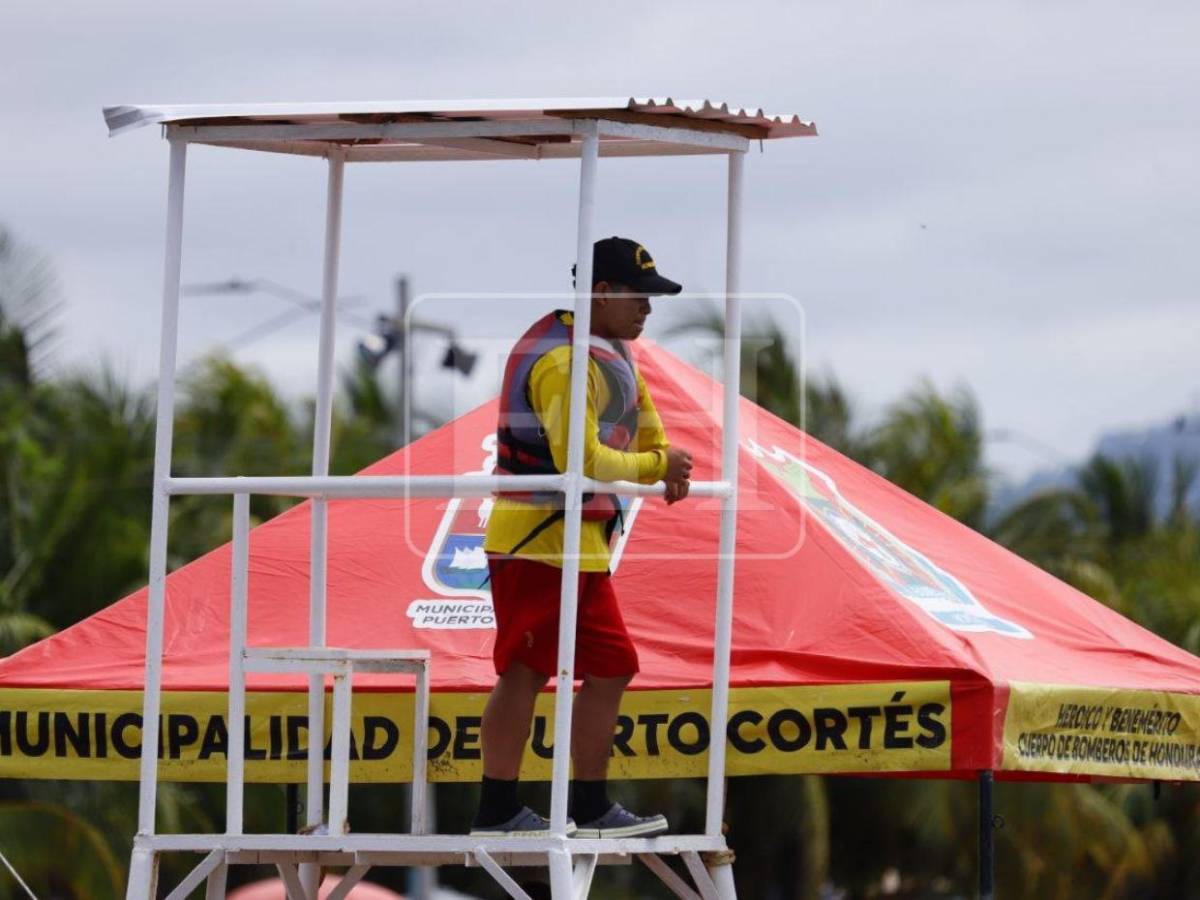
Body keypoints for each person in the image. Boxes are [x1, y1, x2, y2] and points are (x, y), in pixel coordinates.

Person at [471, 237, 694, 839]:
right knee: (524, 669)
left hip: (579, 543)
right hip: (537, 540)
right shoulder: (566, 360)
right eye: (640, 296)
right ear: (602, 293)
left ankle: (590, 805)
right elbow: (588, 460)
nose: (649, 308)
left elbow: (653, 435)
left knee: (613, 665)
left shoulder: (608, 350)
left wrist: (661, 459)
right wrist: (657, 468)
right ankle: (496, 809)